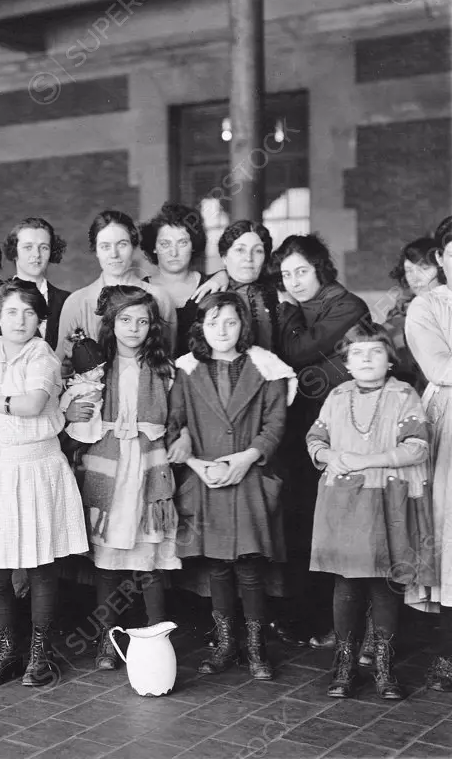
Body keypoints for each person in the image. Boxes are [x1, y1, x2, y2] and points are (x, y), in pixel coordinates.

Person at [0, 280, 88, 688]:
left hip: (36, 467)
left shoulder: (43, 355)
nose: (20, 320)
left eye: (30, 312)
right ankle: (7, 651)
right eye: (11, 312)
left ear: (40, 320)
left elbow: (32, 405)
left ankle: (39, 653)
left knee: (39, 566)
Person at [167, 292, 295, 681]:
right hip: (207, 477)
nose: (221, 331)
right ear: (200, 328)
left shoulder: (266, 367)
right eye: (212, 323)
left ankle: (256, 647)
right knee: (218, 567)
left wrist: (246, 458)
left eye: (230, 322)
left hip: (249, 476)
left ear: (243, 325)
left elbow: (274, 425)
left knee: (250, 568)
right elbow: (176, 422)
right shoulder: (186, 370)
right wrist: (195, 464)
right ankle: (225, 644)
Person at [307, 323, 434, 701]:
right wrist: (331, 456)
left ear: (390, 361)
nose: (365, 359)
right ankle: (344, 666)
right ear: (346, 363)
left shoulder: (403, 395)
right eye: (357, 353)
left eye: (375, 352)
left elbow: (418, 447)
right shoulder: (336, 396)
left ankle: (383, 665)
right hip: (343, 503)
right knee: (346, 585)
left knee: (384, 585)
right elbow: (316, 439)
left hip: (386, 502)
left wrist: (367, 460)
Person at [72, 286, 179, 671]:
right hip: (110, 465)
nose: (133, 328)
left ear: (152, 327)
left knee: (146, 555)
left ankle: (157, 636)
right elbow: (79, 421)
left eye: (142, 321)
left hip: (147, 464)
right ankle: (108, 636)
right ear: (111, 323)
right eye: (125, 319)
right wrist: (80, 409)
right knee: (109, 556)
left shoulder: (165, 371)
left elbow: (177, 420)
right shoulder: (98, 369)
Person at [274, 234, 370, 646]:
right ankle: (317, 620)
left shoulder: (347, 305)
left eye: (301, 271)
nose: (294, 281)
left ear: (320, 269)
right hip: (306, 429)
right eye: (286, 275)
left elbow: (299, 351)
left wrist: (287, 310)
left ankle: (356, 633)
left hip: (350, 430)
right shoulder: (309, 306)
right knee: (309, 523)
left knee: (351, 525)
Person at [405, 213, 452, 693]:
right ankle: (448, 652)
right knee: (450, 530)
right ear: (441, 259)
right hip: (449, 419)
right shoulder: (427, 307)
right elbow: (439, 366)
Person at [57, 210, 176, 372]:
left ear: (134, 247)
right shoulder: (76, 302)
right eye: (105, 246)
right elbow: (61, 363)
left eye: (122, 244)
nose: (114, 254)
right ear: (96, 251)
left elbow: (168, 356)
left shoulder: (160, 298)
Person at [141, 203, 207, 357]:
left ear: (193, 245)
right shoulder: (140, 291)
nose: (174, 252)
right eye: (165, 244)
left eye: (182, 243)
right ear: (154, 247)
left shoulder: (212, 286)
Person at [384, 236, 442, 394]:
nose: (415, 278)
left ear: (441, 268)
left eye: (424, 268)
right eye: (409, 270)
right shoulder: (397, 316)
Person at [4, 218, 71, 351]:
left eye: (44, 247)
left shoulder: (68, 301)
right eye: (28, 247)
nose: (36, 254)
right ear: (14, 251)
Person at [217, 221, 279, 352]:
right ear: (224, 257)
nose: (249, 258)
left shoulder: (278, 293)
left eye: (258, 251)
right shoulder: (210, 294)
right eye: (240, 250)